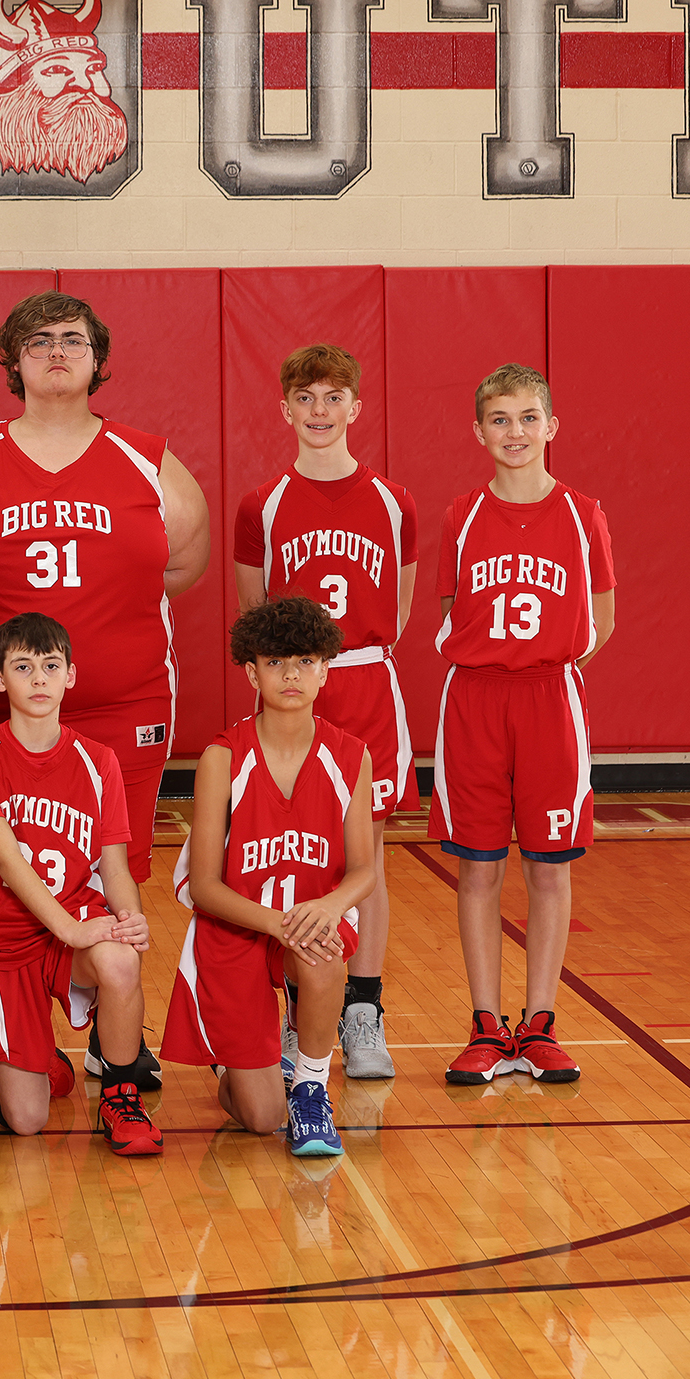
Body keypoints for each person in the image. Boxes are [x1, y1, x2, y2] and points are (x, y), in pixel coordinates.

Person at [0, 289, 208, 1094]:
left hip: (122, 702)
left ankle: (114, 1035)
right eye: (37, 341)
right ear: (13, 361)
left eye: (73, 339)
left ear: (98, 358)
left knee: (112, 862)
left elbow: (184, 562)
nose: (57, 351)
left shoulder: (147, 457)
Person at [234, 344, 417, 1081]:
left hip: (366, 684)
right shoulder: (262, 504)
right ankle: (298, 1012)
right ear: (285, 409)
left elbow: (398, 612)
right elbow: (255, 615)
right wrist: (292, 673)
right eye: (305, 398)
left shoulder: (394, 501)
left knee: (366, 858)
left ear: (356, 407)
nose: (319, 411)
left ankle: (363, 1009)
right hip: (291, 685)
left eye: (333, 397)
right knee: (292, 853)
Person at [434, 364, 616, 1085]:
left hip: (550, 699)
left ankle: (539, 1024)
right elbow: (450, 607)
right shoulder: (461, 515)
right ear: (479, 431)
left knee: (549, 866)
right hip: (474, 700)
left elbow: (601, 618)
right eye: (500, 420)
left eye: (528, 417)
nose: (515, 432)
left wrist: (547, 665)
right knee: (478, 866)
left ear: (552, 426)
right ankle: (486, 1024)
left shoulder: (583, 513)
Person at [164, 596, 376, 1158]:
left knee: (324, 951)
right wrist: (278, 924)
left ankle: (311, 1086)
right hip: (237, 927)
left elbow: (364, 870)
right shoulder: (222, 757)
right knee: (260, 1118)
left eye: (305, 661)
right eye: (276, 662)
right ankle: (241, 1064)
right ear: (251, 672)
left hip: (308, 925)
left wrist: (328, 907)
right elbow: (204, 885)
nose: (291, 675)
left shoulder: (351, 756)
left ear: (325, 669)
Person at [0, 613, 161, 1156]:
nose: (38, 678)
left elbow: (115, 866)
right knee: (25, 1120)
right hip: (2, 936)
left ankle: (121, 1096)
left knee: (120, 960)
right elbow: (8, 861)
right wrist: (70, 929)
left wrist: (129, 920)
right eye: (23, 667)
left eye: (50, 665)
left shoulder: (99, 761)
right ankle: (41, 1061)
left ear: (70, 675)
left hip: (74, 922)